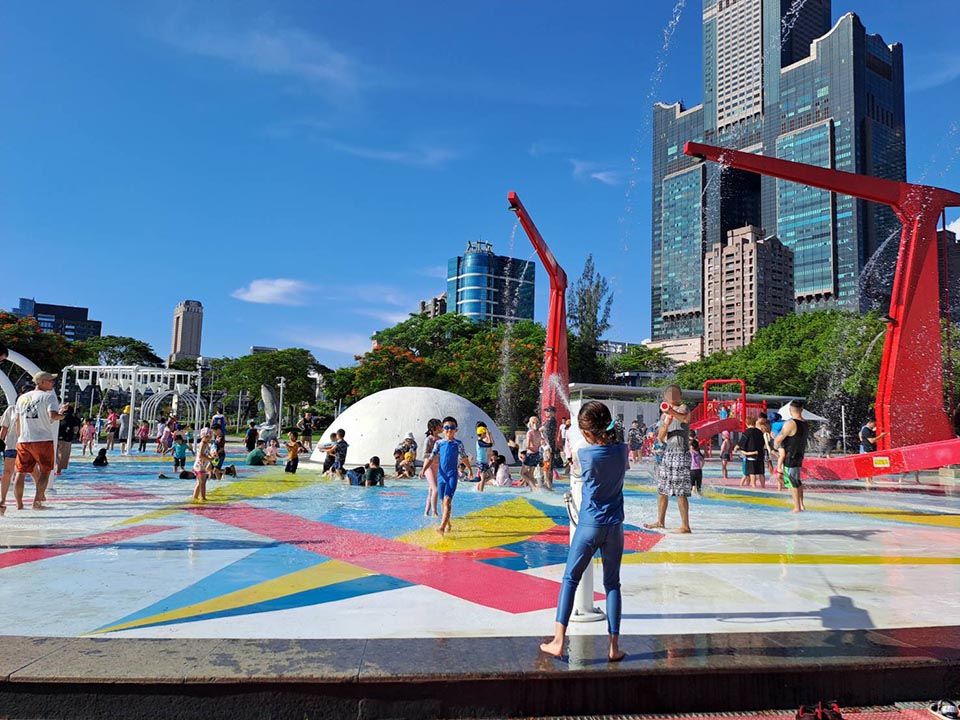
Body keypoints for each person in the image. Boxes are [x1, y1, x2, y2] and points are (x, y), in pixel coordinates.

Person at [539, 400, 627, 662]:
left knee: (570, 580)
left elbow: (575, 469)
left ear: (586, 432)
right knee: (612, 584)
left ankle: (558, 641)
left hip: (589, 525)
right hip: (615, 527)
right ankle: (613, 647)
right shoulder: (622, 451)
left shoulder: (584, 454)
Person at [12, 371, 67, 510]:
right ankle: (37, 503)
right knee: (45, 471)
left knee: (20, 472)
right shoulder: (49, 397)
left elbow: (18, 420)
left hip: (24, 439)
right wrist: (62, 414)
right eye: (50, 380)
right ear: (41, 382)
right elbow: (53, 416)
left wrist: (19, 437)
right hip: (43, 439)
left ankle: (19, 504)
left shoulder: (22, 398)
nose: (53, 383)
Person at [645, 384, 692, 534]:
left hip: (681, 452)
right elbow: (660, 437)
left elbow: (685, 419)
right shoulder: (664, 415)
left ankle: (685, 526)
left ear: (680, 396)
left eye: (675, 394)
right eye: (669, 394)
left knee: (680, 490)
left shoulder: (684, 407)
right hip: (668, 453)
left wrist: (671, 412)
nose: (671, 397)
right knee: (662, 489)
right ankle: (660, 521)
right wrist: (666, 422)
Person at [420, 416, 471, 535]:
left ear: (456, 430)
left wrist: (469, 469)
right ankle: (447, 523)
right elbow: (431, 457)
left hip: (452, 475)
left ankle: (442, 527)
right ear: (443, 429)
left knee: (447, 501)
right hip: (441, 476)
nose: (449, 430)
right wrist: (424, 470)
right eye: (446, 427)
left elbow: (463, 457)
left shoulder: (458, 444)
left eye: (452, 427)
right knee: (443, 502)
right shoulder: (438, 443)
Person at [774, 399, 808, 513]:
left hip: (790, 456)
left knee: (792, 481)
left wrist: (775, 447)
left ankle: (796, 507)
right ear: (802, 410)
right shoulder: (805, 423)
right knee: (797, 480)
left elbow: (779, 439)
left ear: (789, 410)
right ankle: (801, 505)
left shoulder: (790, 423)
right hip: (799, 455)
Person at [739, 416, 766, 489]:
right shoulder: (759, 432)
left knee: (752, 472)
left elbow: (742, 444)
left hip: (751, 455)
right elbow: (763, 442)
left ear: (746, 423)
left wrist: (741, 449)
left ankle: (754, 486)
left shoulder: (747, 432)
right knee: (761, 472)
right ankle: (763, 486)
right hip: (760, 454)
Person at [422, 419, 441, 517]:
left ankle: (426, 512)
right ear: (433, 428)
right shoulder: (428, 440)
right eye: (439, 426)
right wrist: (435, 455)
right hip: (428, 466)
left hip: (437, 467)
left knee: (431, 490)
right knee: (435, 489)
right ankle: (434, 511)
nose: (442, 427)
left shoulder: (441, 440)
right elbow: (424, 455)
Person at [56, 403, 81, 475]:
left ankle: (55, 469)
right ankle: (58, 470)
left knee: (56, 454)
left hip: (56, 437)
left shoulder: (58, 416)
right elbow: (76, 429)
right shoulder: (73, 418)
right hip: (67, 438)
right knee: (63, 454)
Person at [521, 415, 545, 489]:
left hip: (530, 454)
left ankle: (533, 487)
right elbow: (541, 444)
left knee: (522, 473)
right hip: (537, 454)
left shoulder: (530, 433)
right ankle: (533, 489)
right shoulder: (539, 433)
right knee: (531, 474)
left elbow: (528, 446)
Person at [193, 431, 214, 501]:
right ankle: (203, 497)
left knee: (199, 483)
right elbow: (201, 455)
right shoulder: (203, 444)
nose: (209, 439)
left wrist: (210, 456)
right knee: (203, 483)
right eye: (207, 437)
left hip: (201, 465)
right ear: (202, 436)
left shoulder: (206, 444)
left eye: (210, 437)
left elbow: (205, 453)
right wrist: (209, 459)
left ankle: (195, 497)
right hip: (200, 466)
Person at [475, 421, 494, 491]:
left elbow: (490, 444)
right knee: (483, 478)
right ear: (482, 434)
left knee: (491, 476)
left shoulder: (481, 441)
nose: (486, 435)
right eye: (485, 433)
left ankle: (479, 484)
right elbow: (490, 444)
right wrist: (488, 435)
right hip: (481, 462)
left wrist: (488, 435)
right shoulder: (479, 442)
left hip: (484, 462)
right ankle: (480, 492)